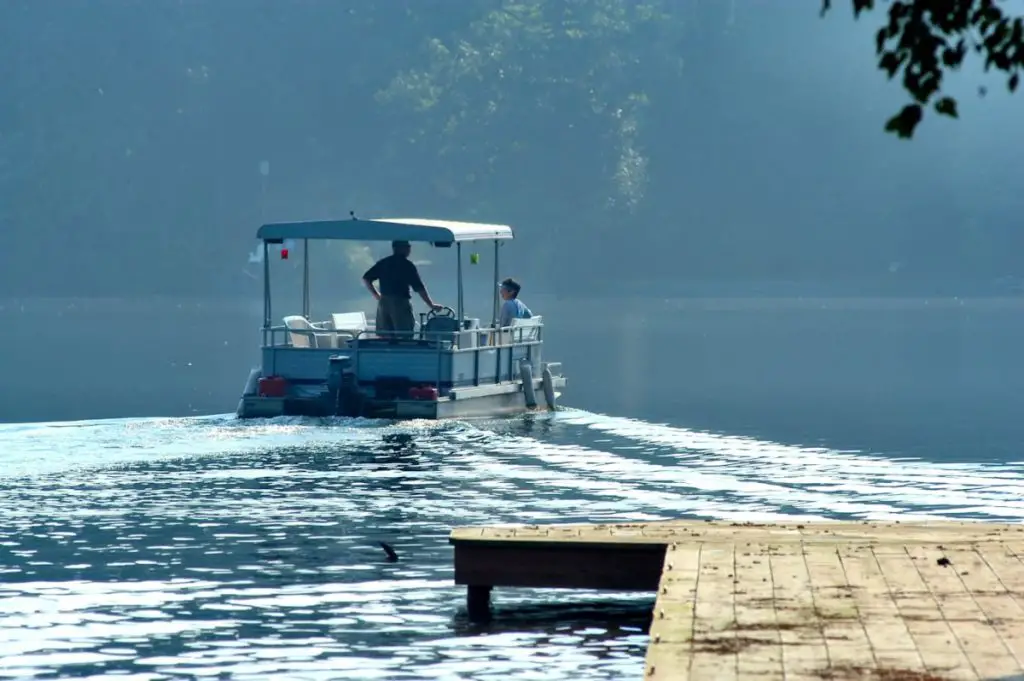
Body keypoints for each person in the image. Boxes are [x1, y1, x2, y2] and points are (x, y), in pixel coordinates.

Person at [362, 240, 442, 337]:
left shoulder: (383, 263)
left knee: (385, 334)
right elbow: (419, 287)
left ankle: (385, 350)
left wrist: (377, 295)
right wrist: (431, 305)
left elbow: (366, 278)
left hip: (383, 303)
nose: (409, 249)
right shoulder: (407, 265)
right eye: (407, 247)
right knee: (404, 333)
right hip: (400, 303)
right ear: (399, 248)